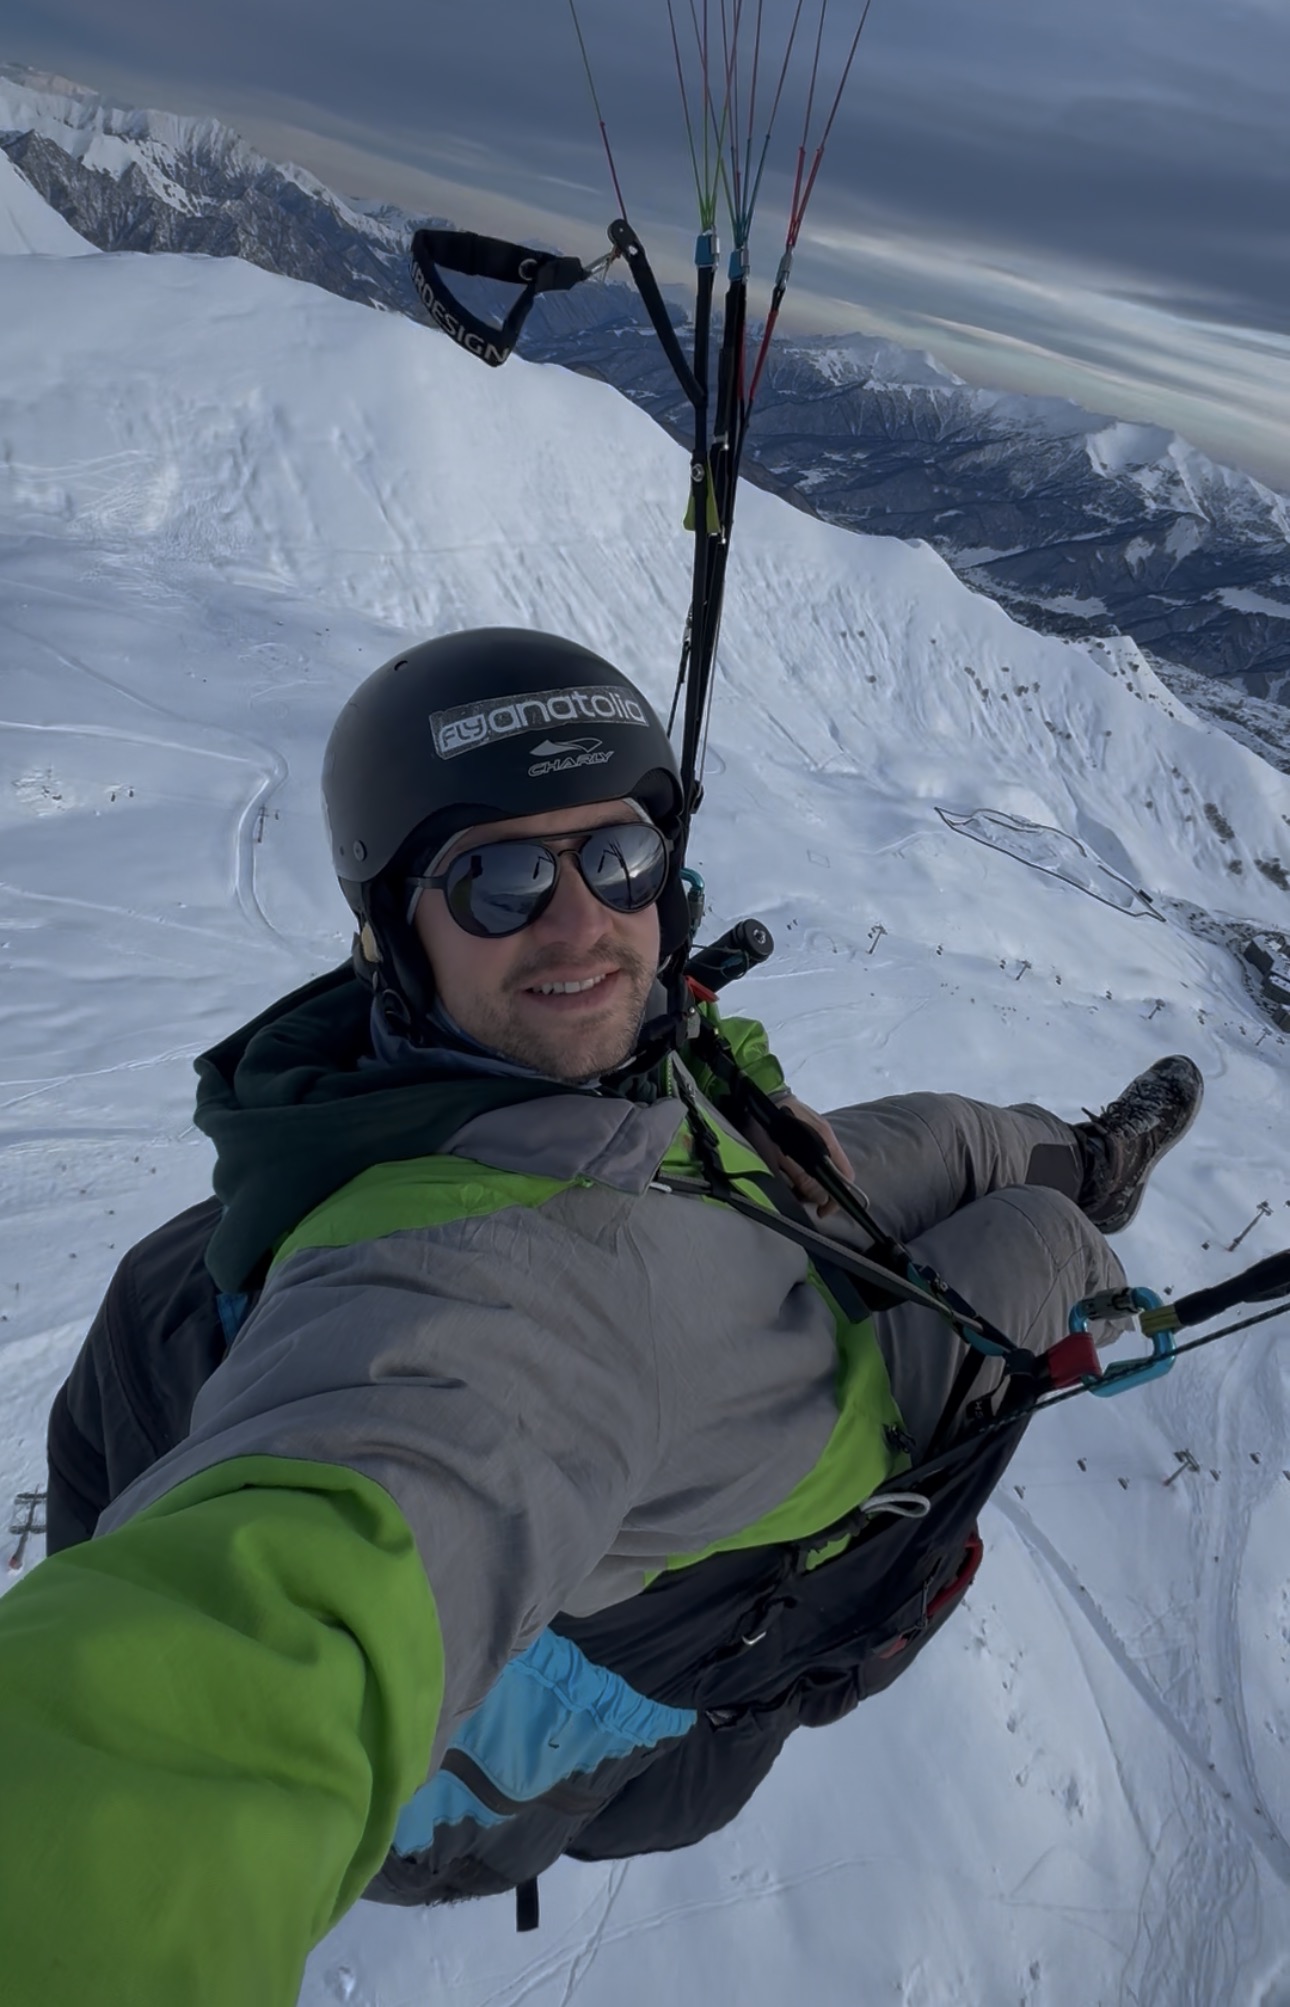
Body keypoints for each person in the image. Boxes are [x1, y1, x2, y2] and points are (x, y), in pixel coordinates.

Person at [3, 626, 1202, 2007]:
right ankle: (1082, 1212)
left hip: (719, 1202)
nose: (579, 923)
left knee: (960, 1134)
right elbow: (274, 1633)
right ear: (391, 925)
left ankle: (1093, 1156)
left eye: (616, 859)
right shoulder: (463, 1309)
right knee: (1031, 1241)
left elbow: (637, 994)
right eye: (501, 878)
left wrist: (713, 1068)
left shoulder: (462, 1053)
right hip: (809, 1420)